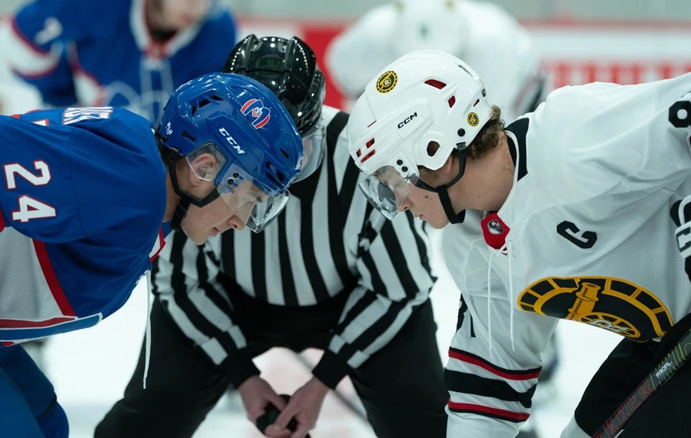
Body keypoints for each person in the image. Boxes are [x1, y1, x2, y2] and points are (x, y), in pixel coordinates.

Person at [0, 72, 304, 436]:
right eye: (249, 198)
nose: (242, 221)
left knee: (44, 421)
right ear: (204, 167)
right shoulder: (132, 177)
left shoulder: (149, 200)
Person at [96, 35, 448, 438]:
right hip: (231, 300)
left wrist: (323, 381)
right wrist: (243, 376)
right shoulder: (195, 159)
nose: (278, 180)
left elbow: (400, 285)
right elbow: (180, 280)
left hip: (353, 300)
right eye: (255, 162)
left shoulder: (361, 154)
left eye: (297, 154)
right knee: (150, 414)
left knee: (423, 420)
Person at [345, 48, 691, 437]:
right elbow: (490, 388)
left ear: (434, 152)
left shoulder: (571, 138)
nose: (399, 201)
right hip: (661, 339)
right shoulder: (469, 245)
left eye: (393, 179)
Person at [0, 0, 237, 123]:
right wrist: (65, 98)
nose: (196, 6)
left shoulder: (218, 31)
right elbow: (21, 42)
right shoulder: (101, 6)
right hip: (89, 149)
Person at [326, 0, 546, 124]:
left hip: (526, 89)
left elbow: (494, 126)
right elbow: (346, 79)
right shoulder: (372, 36)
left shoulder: (496, 44)